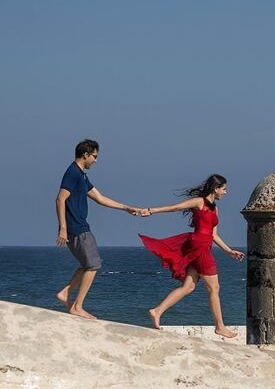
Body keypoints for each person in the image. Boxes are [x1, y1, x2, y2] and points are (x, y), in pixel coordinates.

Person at [138, 174, 243, 338]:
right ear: (216, 189)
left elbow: (214, 235)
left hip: (201, 248)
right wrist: (151, 211)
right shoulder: (199, 202)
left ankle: (157, 311)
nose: (225, 192)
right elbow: (175, 207)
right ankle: (220, 327)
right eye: (224, 189)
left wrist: (229, 251)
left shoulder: (215, 208)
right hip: (199, 248)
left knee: (188, 287)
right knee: (214, 288)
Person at [55, 139, 142, 320]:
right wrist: (63, 228)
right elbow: (60, 199)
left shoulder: (81, 175)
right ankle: (77, 307)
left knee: (87, 265)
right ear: (85, 154)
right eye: (94, 156)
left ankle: (65, 293)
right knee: (93, 266)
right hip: (77, 227)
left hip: (78, 227)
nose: (96, 160)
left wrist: (126, 208)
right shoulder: (73, 173)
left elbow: (100, 198)